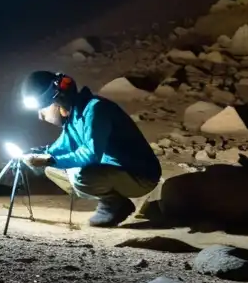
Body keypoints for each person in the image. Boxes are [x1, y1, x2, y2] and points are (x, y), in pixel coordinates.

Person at [19, 70, 160, 227]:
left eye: (42, 110)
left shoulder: (96, 110)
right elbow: (64, 145)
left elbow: (90, 154)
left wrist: (50, 159)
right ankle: (112, 199)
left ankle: (115, 204)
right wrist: (40, 154)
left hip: (141, 176)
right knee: (53, 169)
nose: (41, 116)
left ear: (58, 100)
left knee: (80, 174)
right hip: (116, 172)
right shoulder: (74, 117)